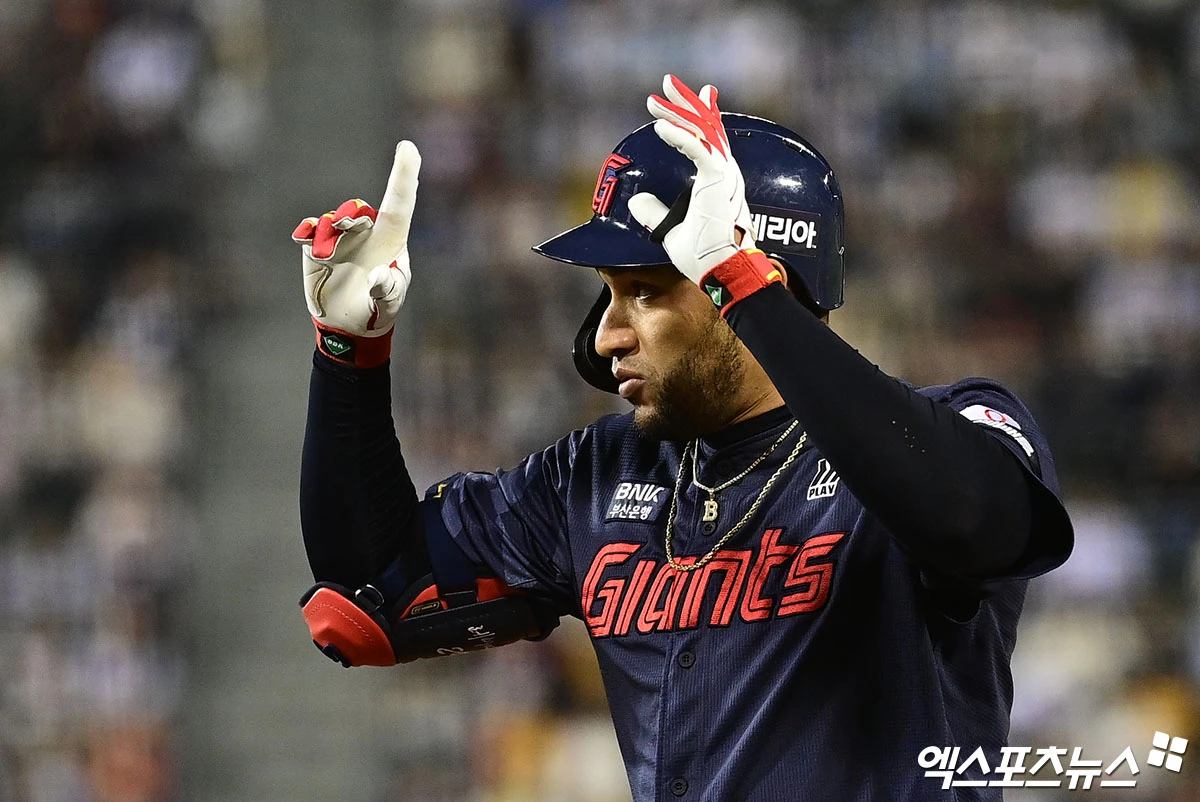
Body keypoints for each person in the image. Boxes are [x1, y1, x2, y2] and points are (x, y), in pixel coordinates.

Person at [293, 75, 1074, 801]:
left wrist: (740, 281)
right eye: (609, 295)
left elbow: (978, 524)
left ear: (757, 274)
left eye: (644, 291)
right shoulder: (597, 473)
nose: (606, 337)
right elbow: (367, 605)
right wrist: (348, 354)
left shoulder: (953, 424)